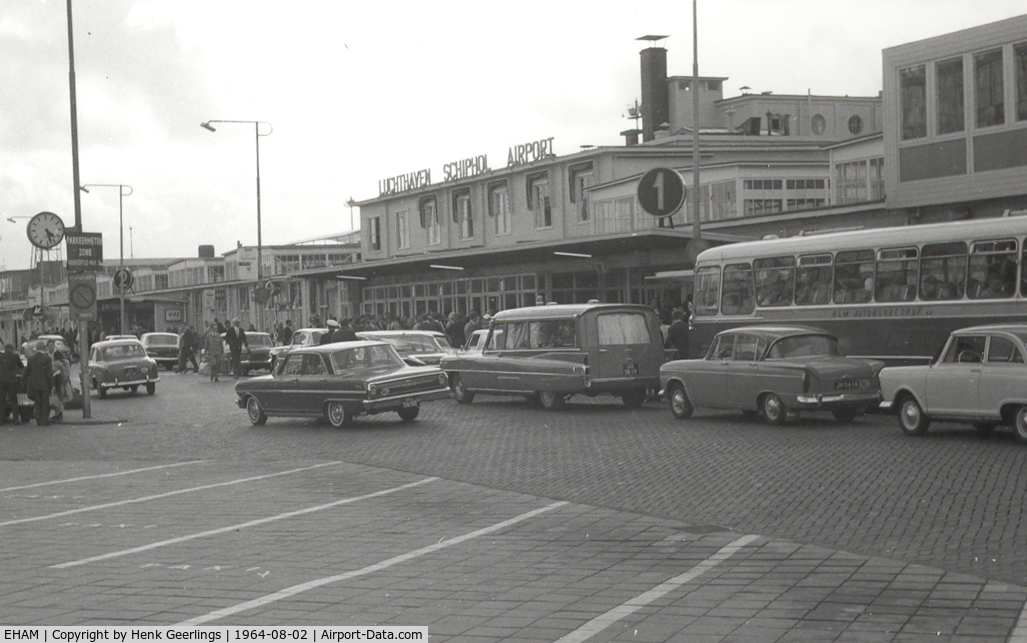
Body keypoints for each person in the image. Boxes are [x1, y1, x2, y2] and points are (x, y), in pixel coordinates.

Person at [22, 340, 53, 426]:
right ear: (44, 348)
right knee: (45, 403)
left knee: (37, 402)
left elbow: (26, 371)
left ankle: (38, 420)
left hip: (34, 384)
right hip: (44, 384)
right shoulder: (47, 359)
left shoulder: (31, 359)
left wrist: (25, 380)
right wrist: (52, 384)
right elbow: (49, 374)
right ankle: (44, 420)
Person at [0, 343, 22, 424]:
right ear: (12, 349)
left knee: (1, 400)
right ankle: (16, 419)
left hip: (1, 381)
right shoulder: (15, 356)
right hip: (11, 381)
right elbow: (21, 366)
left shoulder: (1, 356)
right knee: (13, 400)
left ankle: (0, 419)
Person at [51, 349, 73, 422]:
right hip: (65, 382)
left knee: (58, 398)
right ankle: (60, 413)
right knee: (62, 399)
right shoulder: (66, 362)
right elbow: (67, 372)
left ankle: (58, 414)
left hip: (59, 382)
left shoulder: (56, 363)